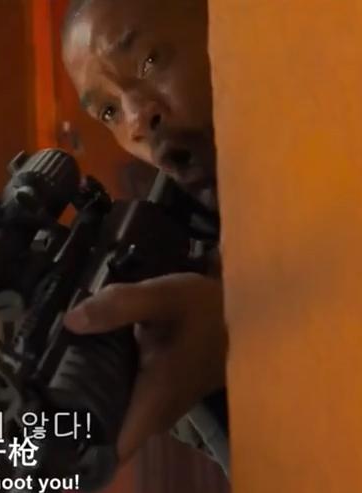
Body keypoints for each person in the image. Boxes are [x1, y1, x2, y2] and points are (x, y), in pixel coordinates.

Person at [57, 0, 232, 476]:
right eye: (109, 111)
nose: (135, 120)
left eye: (150, 61)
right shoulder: (166, 276)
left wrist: (240, 328)